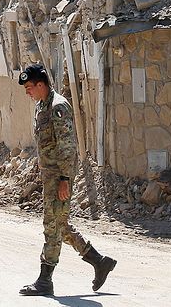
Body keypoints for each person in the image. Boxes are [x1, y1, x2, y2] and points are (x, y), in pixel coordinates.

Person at [17, 64, 117, 297]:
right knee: (58, 224)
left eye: (29, 87)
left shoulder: (57, 106)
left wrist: (64, 179)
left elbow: (68, 147)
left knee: (52, 226)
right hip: (50, 175)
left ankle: (45, 280)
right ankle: (99, 261)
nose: (27, 92)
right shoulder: (42, 106)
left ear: (41, 85)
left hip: (60, 176)